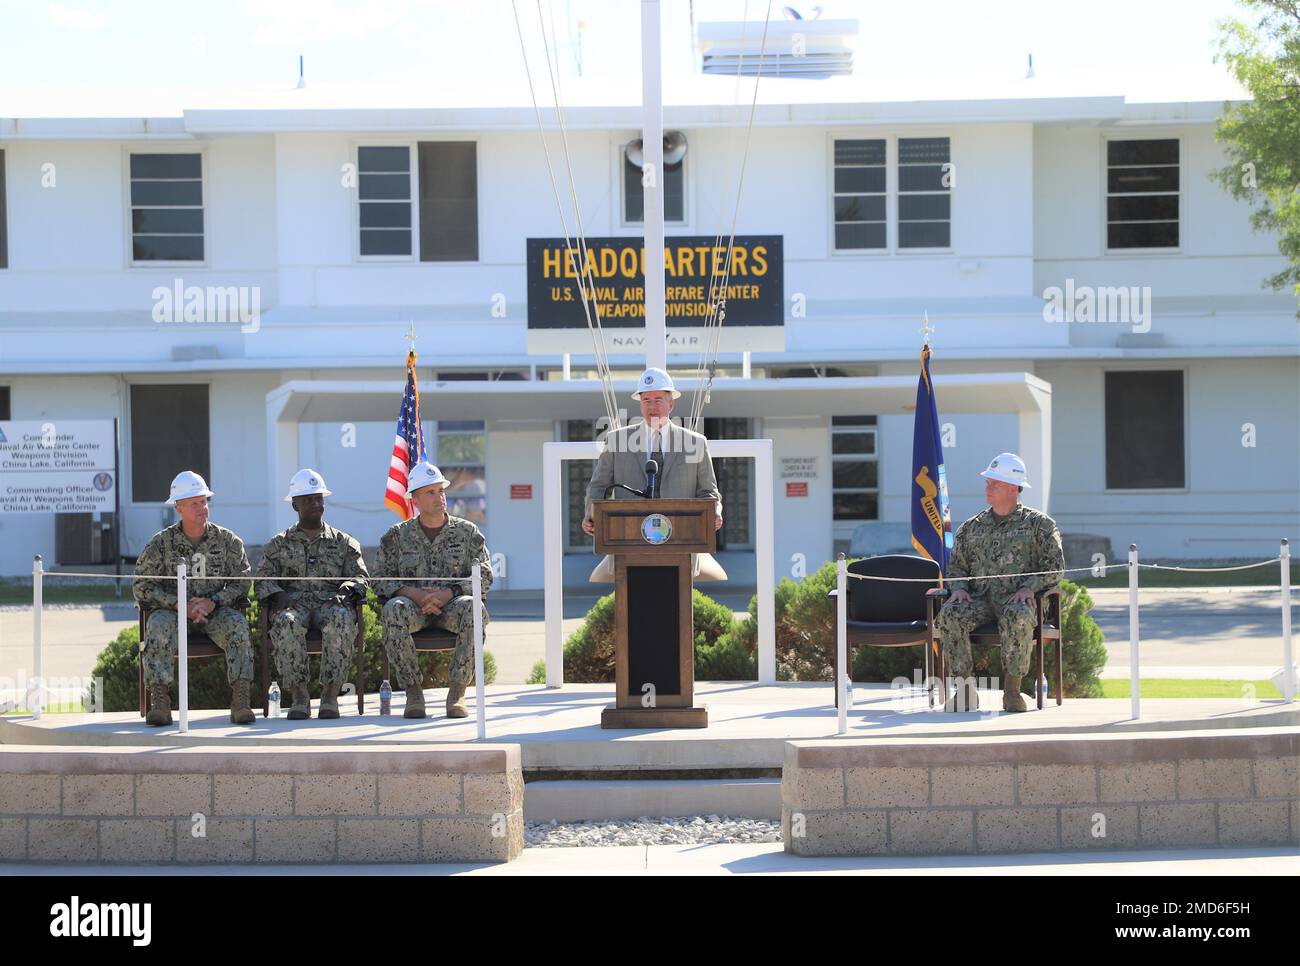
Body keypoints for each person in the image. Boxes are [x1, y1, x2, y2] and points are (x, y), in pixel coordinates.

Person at [936, 453, 1065, 713]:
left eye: (993, 483)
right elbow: (957, 565)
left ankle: (1013, 691)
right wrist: (959, 589)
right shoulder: (972, 527)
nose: (987, 488)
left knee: (1017, 616)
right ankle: (965, 691)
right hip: (981, 599)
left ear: (1011, 488)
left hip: (1019, 600)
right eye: (988, 483)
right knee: (950, 614)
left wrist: (1030, 587)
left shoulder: (1039, 525)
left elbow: (1056, 568)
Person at [134, 471, 254, 726]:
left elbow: (242, 579)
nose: (202, 508)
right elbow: (142, 585)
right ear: (179, 508)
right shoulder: (161, 544)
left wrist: (215, 601)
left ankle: (241, 700)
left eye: (204, 502)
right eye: (194, 503)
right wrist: (178, 604)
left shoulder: (228, 541)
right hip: (174, 613)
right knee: (156, 624)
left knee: (238, 625)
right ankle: (160, 702)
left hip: (215, 612)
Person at [374, 462, 492, 719]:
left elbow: (484, 575)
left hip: (451, 606)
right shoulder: (396, 537)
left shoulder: (467, 532)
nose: (440, 497)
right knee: (393, 610)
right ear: (415, 499)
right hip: (412, 608)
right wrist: (415, 595)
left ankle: (457, 692)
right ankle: (413, 692)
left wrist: (446, 594)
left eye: (441, 491)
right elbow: (380, 579)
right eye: (431, 492)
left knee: (474, 609)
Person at [256, 469, 369, 720]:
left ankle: (330, 696)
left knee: (341, 619)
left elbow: (362, 577)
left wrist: (347, 589)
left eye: (318, 498)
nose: (315, 504)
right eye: (308, 499)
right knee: (285, 623)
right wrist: (278, 594)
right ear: (295, 504)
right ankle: (299, 696)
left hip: (330, 603)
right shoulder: (279, 544)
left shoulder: (344, 542)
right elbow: (262, 580)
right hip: (294, 604)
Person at [582, 367, 723, 535]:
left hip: (683, 538)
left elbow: (708, 493)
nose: (652, 406)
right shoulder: (616, 441)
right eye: (646, 400)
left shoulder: (696, 443)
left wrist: (715, 511)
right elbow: (599, 487)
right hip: (628, 538)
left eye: (658, 400)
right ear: (640, 404)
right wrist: (591, 515)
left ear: (671, 404)